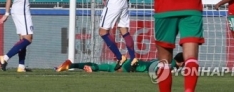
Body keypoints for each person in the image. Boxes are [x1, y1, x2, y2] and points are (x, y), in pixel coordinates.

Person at [55, 52, 184, 73]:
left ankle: (70, 65)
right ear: (181, 62)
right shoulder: (171, 64)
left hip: (130, 64)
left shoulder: (164, 59)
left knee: (99, 67)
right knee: (117, 69)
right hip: (134, 66)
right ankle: (127, 63)